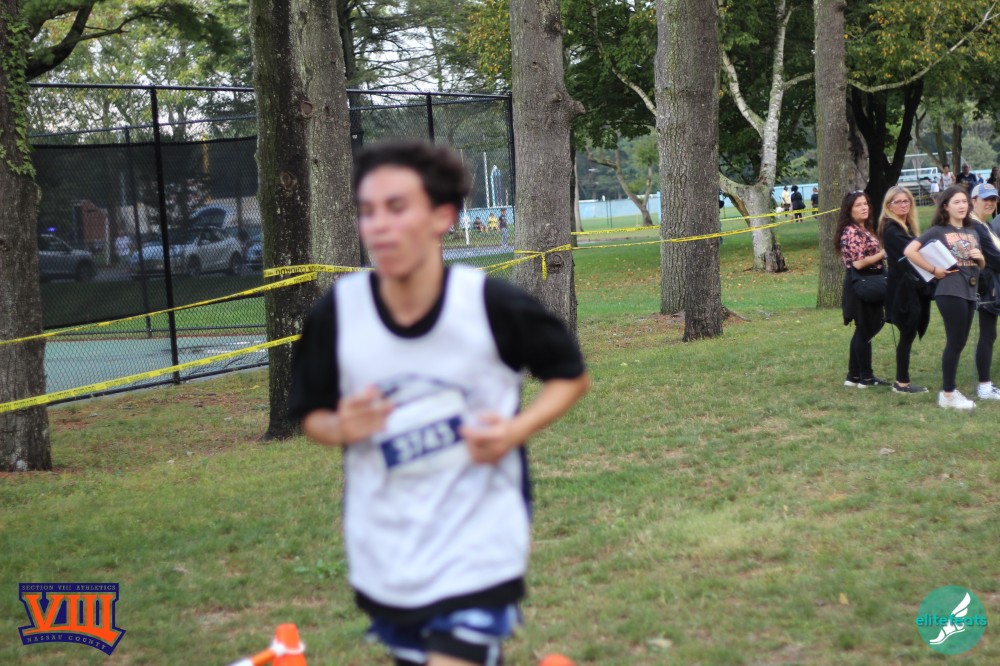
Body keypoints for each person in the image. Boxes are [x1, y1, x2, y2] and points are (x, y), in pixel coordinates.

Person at [287, 141, 590, 666]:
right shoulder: (339, 313)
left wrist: (513, 431)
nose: (379, 226)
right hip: (387, 551)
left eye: (397, 207)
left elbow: (570, 376)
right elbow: (311, 415)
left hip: (479, 546)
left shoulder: (490, 305)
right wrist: (342, 426)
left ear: (442, 217)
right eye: (368, 211)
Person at [904, 186, 986, 410]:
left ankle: (949, 392)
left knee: (960, 341)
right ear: (946, 206)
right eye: (956, 202)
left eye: (965, 201)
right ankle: (948, 394)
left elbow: (979, 266)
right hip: (950, 291)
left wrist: (980, 259)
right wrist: (933, 270)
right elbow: (910, 251)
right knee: (955, 341)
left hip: (970, 291)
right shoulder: (938, 230)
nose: (962, 206)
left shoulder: (972, 231)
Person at [878, 186, 931, 394]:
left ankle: (903, 380)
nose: (903, 205)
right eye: (898, 202)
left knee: (909, 333)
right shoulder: (892, 229)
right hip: (902, 290)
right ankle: (902, 382)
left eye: (906, 201)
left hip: (910, 286)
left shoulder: (905, 226)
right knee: (907, 333)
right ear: (889, 205)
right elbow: (917, 254)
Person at [835, 190, 888, 388]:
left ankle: (853, 376)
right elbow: (858, 263)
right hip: (862, 282)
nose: (864, 207)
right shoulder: (851, 232)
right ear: (849, 209)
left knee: (865, 329)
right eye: (858, 205)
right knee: (866, 329)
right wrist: (883, 254)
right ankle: (865, 377)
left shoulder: (863, 228)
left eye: (865, 203)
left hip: (870, 280)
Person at [968, 183, 1000, 400]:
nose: (990, 203)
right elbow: (995, 259)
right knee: (987, 334)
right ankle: (984, 386)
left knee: (989, 334)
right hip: (987, 287)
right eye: (985, 199)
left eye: (993, 199)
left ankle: (986, 385)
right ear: (974, 201)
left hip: (991, 284)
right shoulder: (976, 226)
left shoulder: (985, 224)